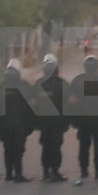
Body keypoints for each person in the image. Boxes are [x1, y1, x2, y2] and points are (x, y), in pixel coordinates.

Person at [69, 55, 98, 182]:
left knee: (84, 145)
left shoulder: (77, 80)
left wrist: (74, 117)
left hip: (83, 119)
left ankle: (84, 171)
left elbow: (72, 100)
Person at [0, 59, 37, 183]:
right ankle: (18, 175)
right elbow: (33, 104)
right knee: (18, 149)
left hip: (4, 124)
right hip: (20, 124)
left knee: (8, 148)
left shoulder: (1, 86)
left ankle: (9, 174)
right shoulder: (24, 85)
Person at [37, 53, 70, 182]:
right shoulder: (62, 84)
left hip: (44, 122)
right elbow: (70, 102)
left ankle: (46, 171)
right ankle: (54, 171)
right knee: (55, 146)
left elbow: (31, 102)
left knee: (46, 145)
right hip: (57, 122)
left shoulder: (38, 84)